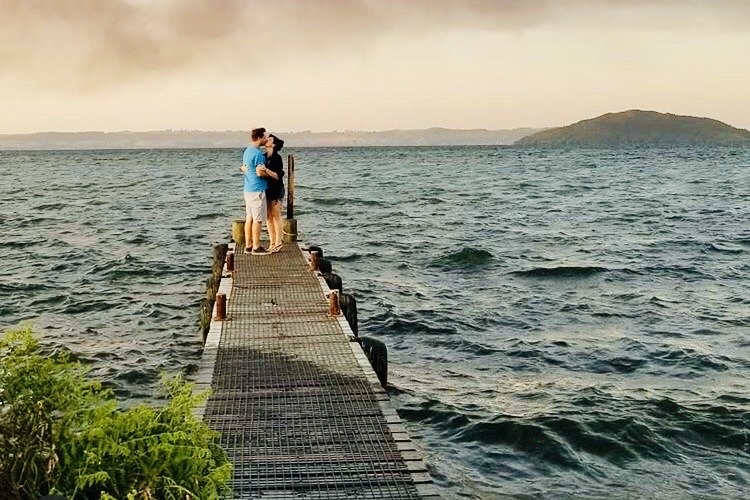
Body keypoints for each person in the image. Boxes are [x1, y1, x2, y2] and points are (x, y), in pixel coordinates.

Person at [240, 127, 278, 255]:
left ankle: (248, 245)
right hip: (257, 189)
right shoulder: (257, 154)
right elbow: (259, 172)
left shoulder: (247, 151)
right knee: (258, 219)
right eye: (264, 137)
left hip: (248, 189)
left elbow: (245, 168)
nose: (265, 139)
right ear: (259, 138)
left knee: (249, 217)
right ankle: (256, 247)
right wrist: (270, 175)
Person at [264, 134, 285, 253]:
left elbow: (277, 175)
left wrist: (266, 170)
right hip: (266, 189)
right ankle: (272, 242)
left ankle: (278, 242)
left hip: (277, 189)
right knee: (268, 217)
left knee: (276, 215)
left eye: (270, 139)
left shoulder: (277, 158)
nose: (267, 140)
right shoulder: (264, 156)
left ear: (274, 144)